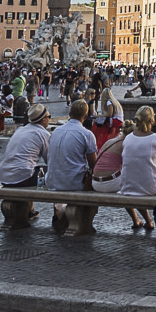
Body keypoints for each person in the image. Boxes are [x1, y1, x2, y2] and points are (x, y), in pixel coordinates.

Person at [43, 98, 100, 229]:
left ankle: (61, 215)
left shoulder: (55, 132)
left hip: (52, 180)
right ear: (85, 116)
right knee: (94, 185)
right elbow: (93, 164)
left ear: (69, 114)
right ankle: (83, 223)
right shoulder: (86, 134)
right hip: (74, 182)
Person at [118, 106, 156, 231]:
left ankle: (146, 221)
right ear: (152, 120)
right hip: (151, 188)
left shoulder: (127, 138)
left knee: (138, 172)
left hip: (128, 187)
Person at [0, 106, 52, 189]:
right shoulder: (43, 134)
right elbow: (50, 160)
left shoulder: (20, 130)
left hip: (4, 176)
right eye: (49, 117)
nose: (50, 119)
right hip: (23, 177)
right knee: (57, 172)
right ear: (44, 120)